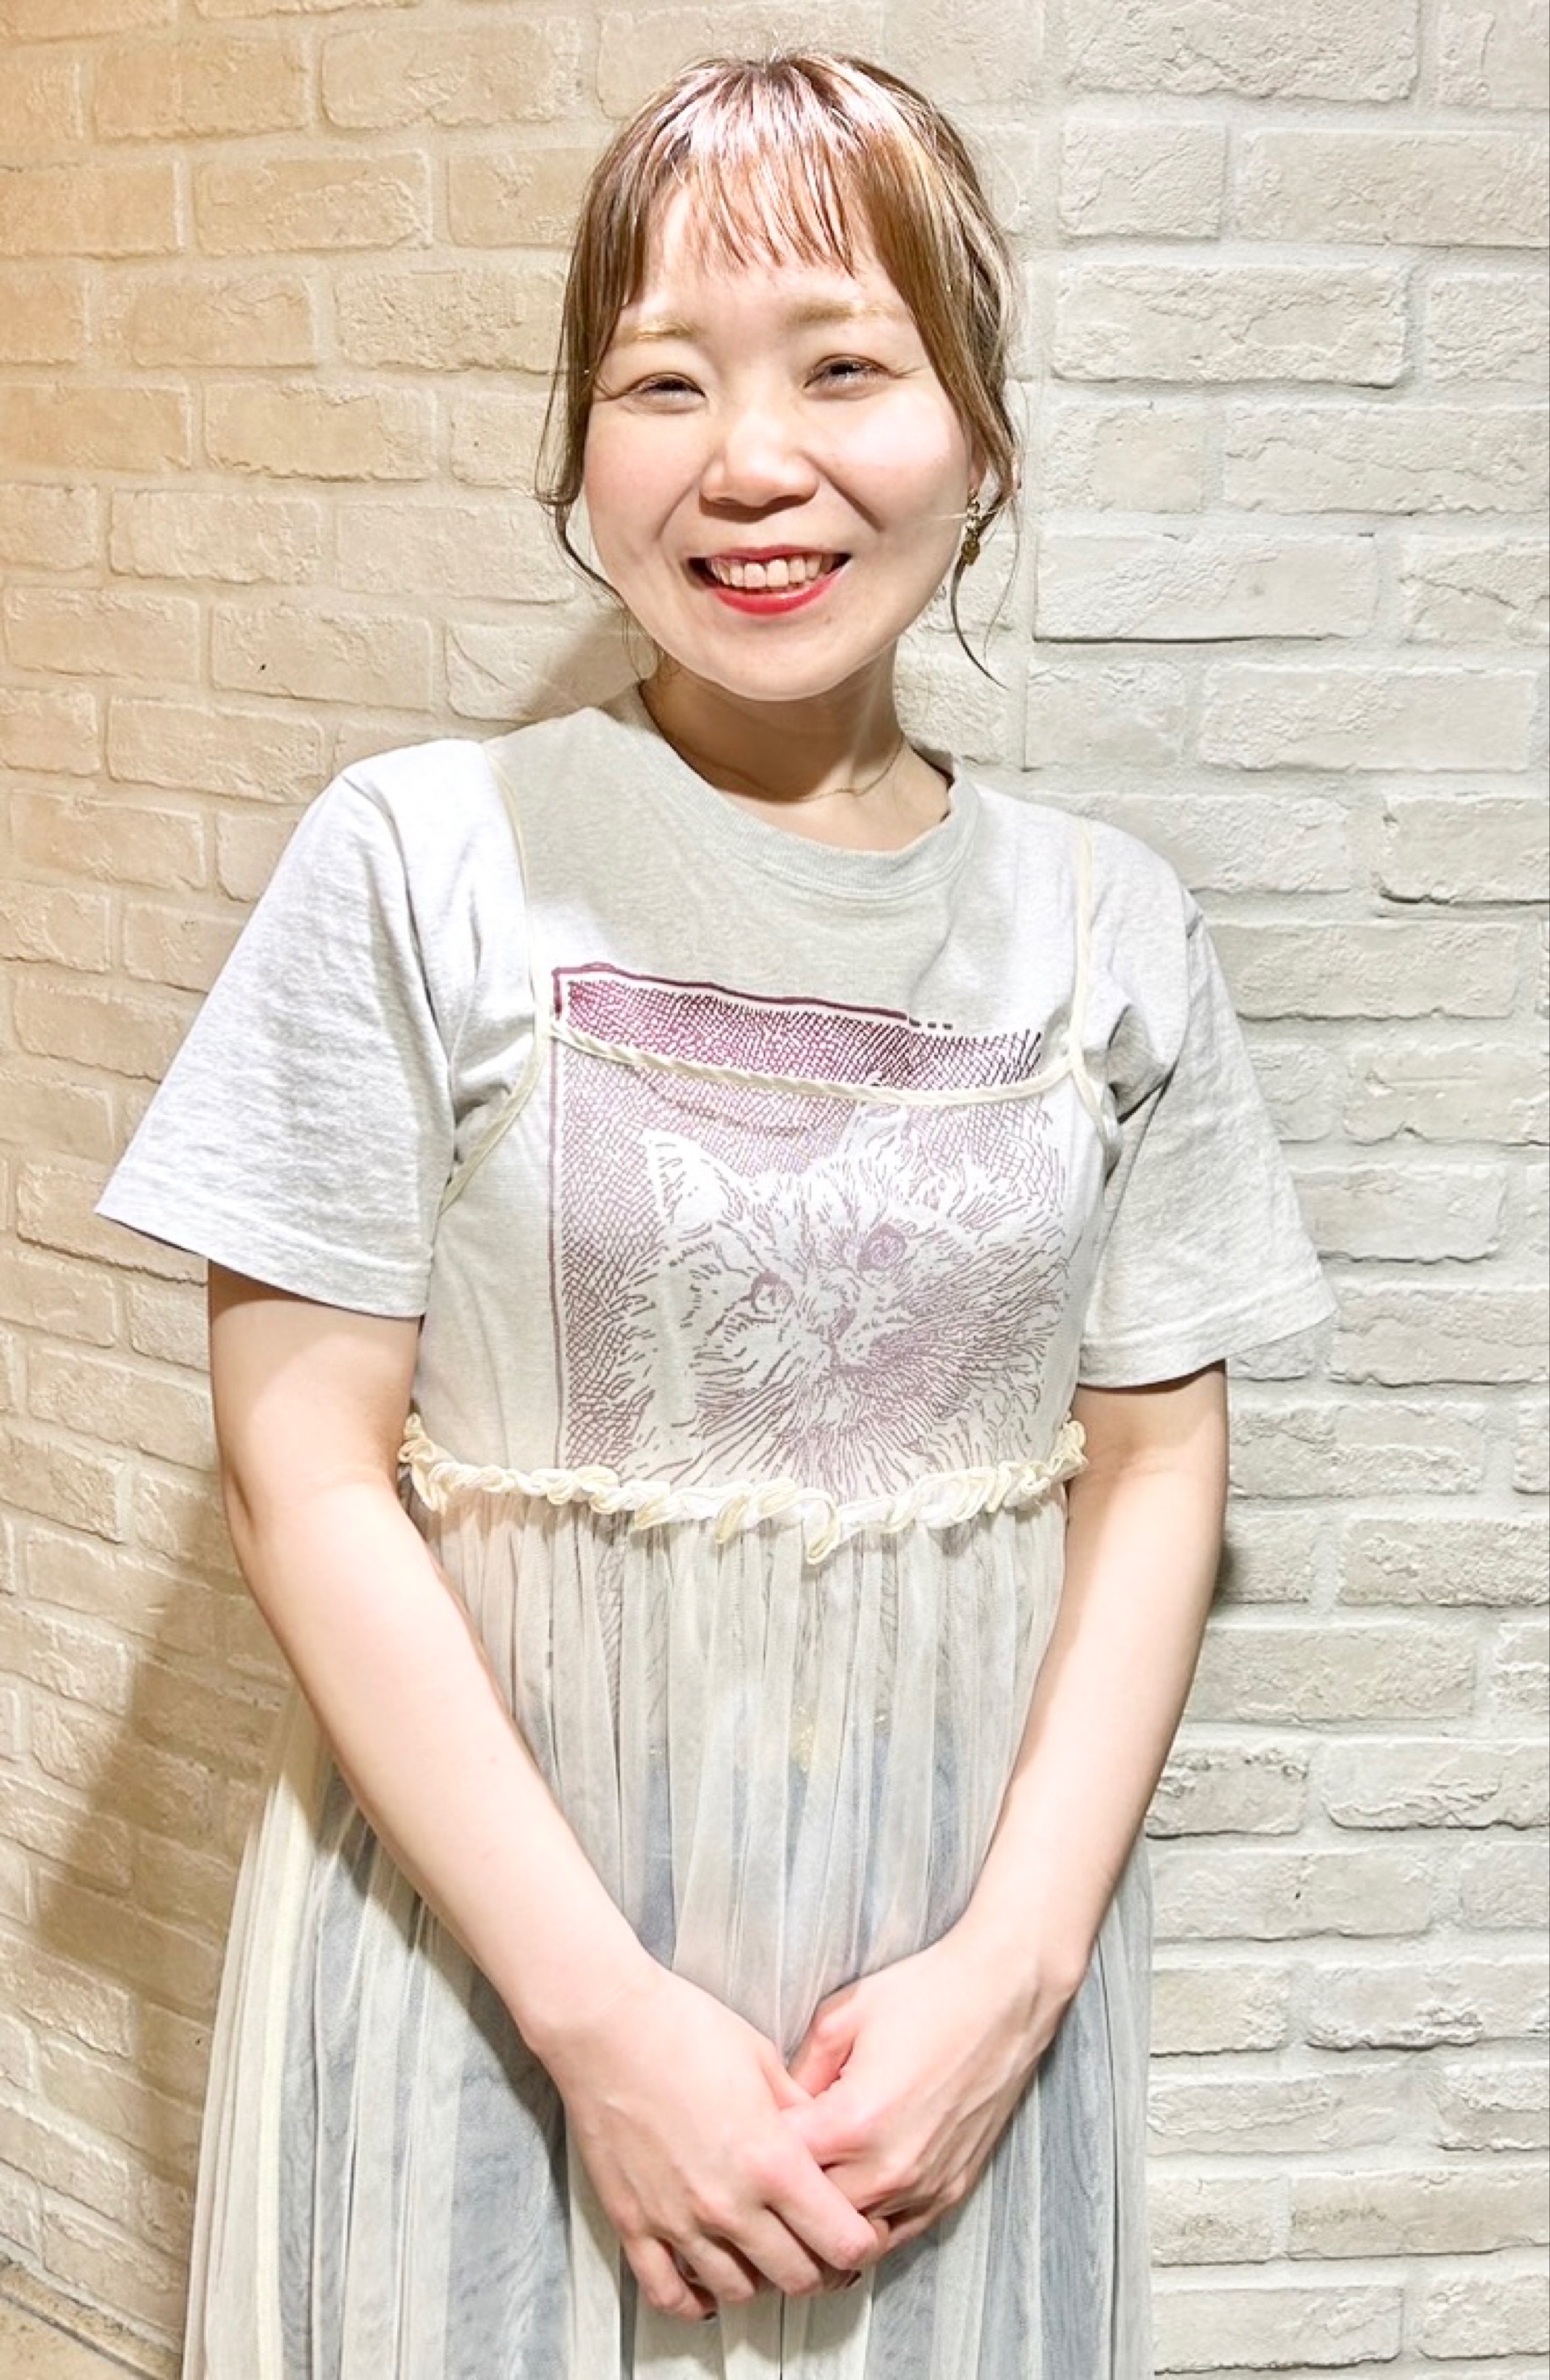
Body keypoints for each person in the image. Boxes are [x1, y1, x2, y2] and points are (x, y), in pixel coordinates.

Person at [99, 52, 1332, 2380]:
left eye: (844, 368)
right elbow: (299, 1470)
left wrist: (1014, 1976)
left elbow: (1161, 1459)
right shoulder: (421, 862)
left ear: (979, 434)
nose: (751, 461)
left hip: (948, 2011)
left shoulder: (1114, 929)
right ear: (583, 450)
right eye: (664, 381)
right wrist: (605, 2025)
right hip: (491, 1968)